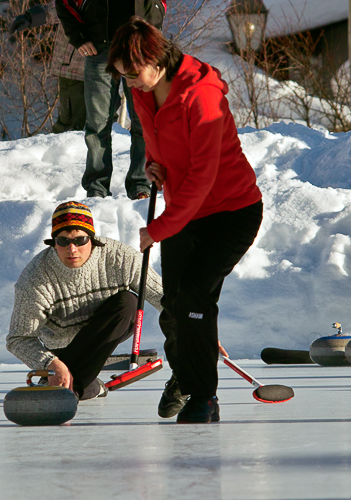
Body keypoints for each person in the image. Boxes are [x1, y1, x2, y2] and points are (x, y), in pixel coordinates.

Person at [108, 17, 263, 424]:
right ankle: (186, 373)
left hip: (231, 211)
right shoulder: (142, 91)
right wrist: (154, 165)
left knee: (195, 294)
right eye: (124, 75)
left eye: (134, 72)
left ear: (156, 59)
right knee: (174, 305)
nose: (131, 82)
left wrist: (158, 228)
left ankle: (204, 396)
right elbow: (156, 139)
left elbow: (203, 176)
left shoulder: (202, 95)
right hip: (185, 210)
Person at [6, 201, 164, 400]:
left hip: (107, 331)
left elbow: (165, 300)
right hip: (62, 349)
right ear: (54, 242)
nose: (72, 249)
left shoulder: (121, 258)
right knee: (74, 377)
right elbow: (18, 339)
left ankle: (68, 389)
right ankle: (86, 387)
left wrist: (197, 334)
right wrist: (51, 364)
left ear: (92, 239)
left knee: (128, 302)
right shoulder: (35, 277)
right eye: (63, 241)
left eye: (80, 240)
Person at [55, 0, 165, 200]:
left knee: (145, 122)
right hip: (99, 47)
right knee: (97, 125)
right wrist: (79, 37)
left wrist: (153, 23)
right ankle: (97, 187)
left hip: (140, 47)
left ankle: (141, 184)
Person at [10, 4, 86, 132]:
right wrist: (30, 17)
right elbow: (61, 8)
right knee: (71, 126)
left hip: (106, 69)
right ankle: (60, 151)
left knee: (105, 124)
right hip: (75, 69)